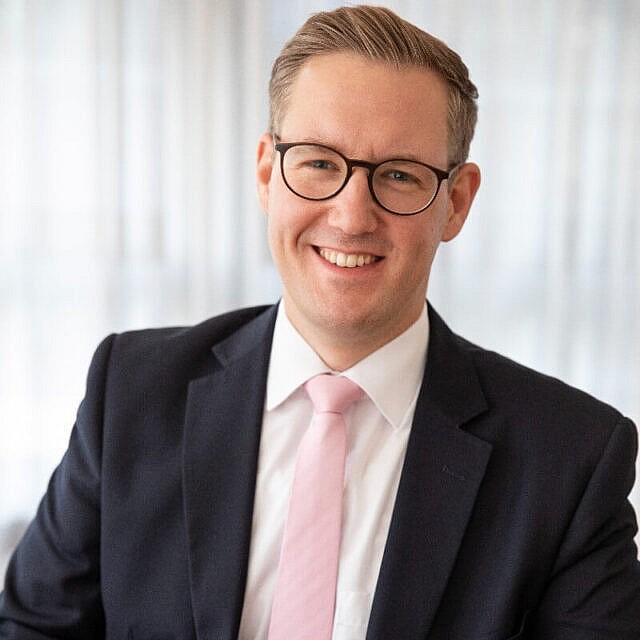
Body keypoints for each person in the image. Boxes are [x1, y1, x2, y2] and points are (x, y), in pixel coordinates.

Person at [1, 5, 639, 639]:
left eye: (399, 175)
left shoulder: (571, 459)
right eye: (319, 163)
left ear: (456, 202)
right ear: (266, 174)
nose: (352, 217)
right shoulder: (132, 392)